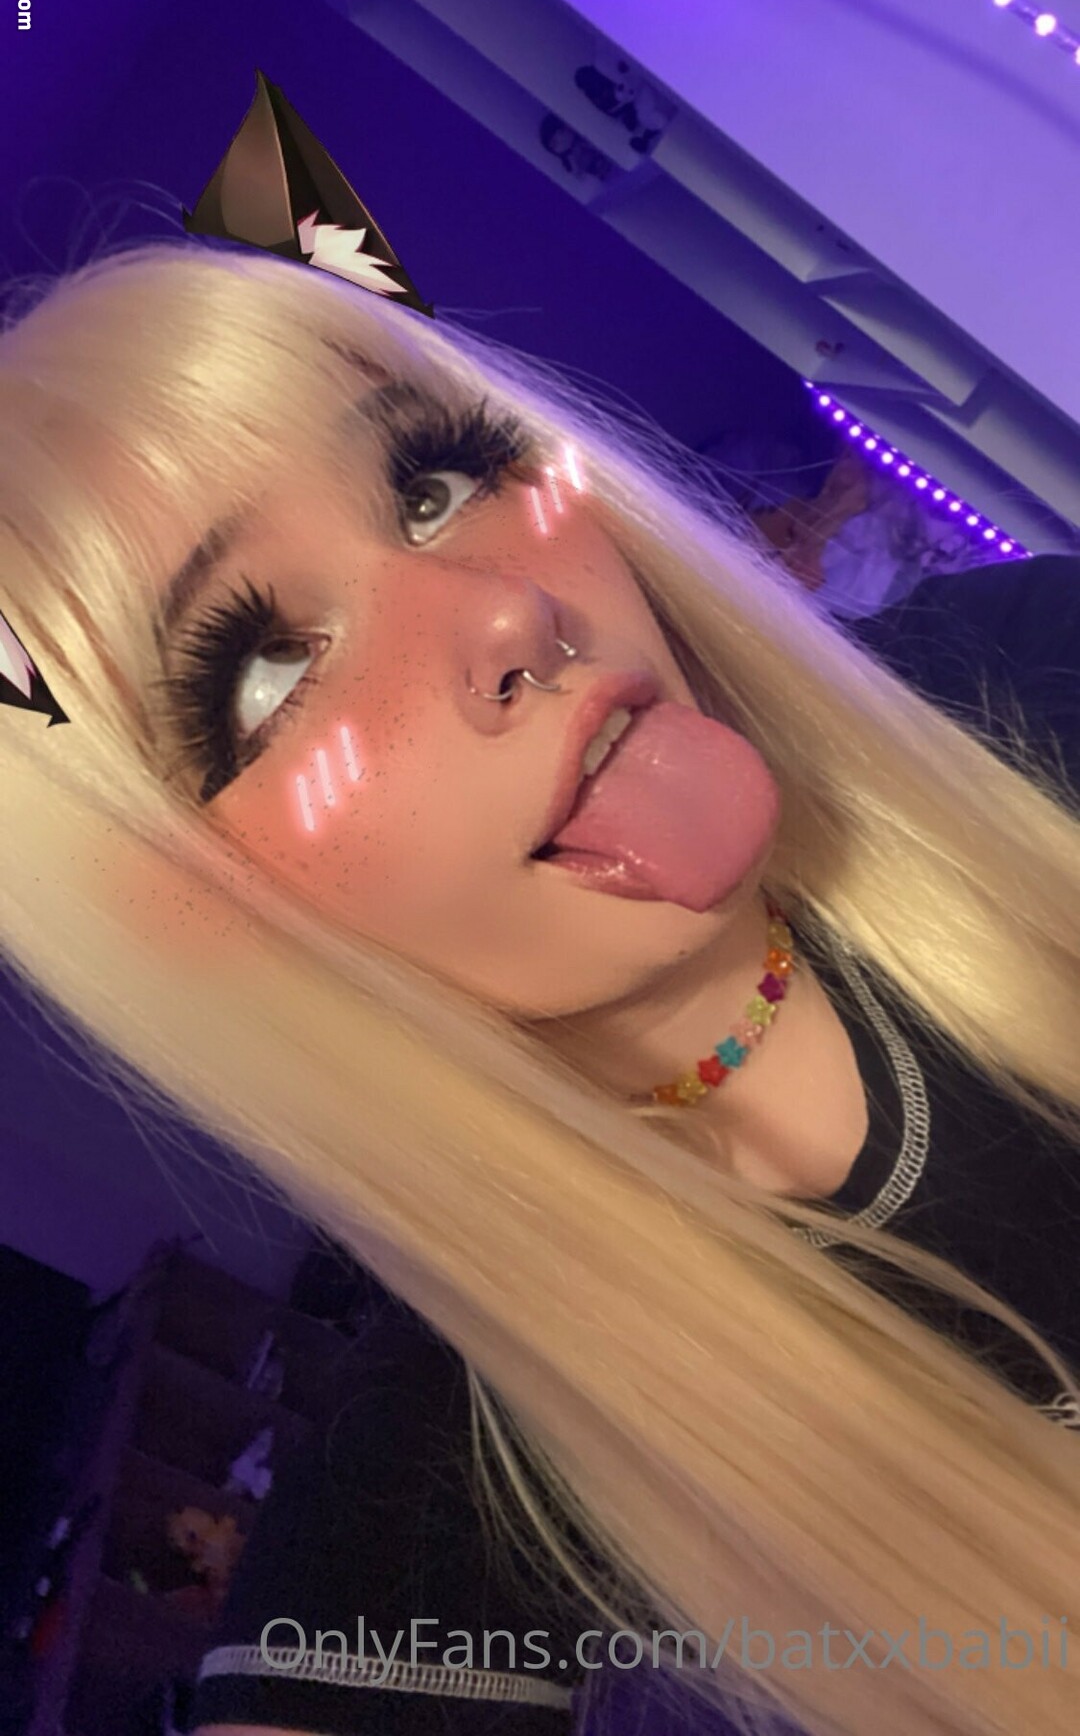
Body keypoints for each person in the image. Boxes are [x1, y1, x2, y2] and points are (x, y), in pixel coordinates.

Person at [0, 233, 1079, 1736]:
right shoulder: (446, 1492)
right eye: (265, 673)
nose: (506, 612)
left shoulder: (1022, 686)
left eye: (433, 486)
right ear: (183, 914)